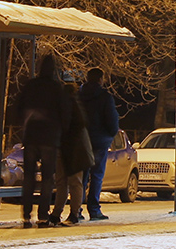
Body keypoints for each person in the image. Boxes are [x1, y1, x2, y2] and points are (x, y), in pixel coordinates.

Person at [16, 53, 71, 228]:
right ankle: (42, 215)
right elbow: (65, 113)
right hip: (50, 138)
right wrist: (63, 133)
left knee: (29, 178)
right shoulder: (57, 88)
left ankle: (26, 214)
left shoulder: (30, 86)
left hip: (31, 136)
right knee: (47, 178)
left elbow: (18, 107)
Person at [50, 82, 93, 226]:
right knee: (75, 183)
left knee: (63, 182)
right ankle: (73, 213)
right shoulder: (77, 105)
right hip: (75, 149)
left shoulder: (63, 106)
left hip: (67, 148)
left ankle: (59, 213)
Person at [79, 67, 119, 221]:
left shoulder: (79, 96)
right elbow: (112, 120)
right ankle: (94, 209)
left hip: (82, 140)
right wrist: (109, 135)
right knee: (96, 175)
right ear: (101, 79)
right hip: (99, 141)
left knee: (81, 176)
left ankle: (77, 209)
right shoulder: (105, 97)